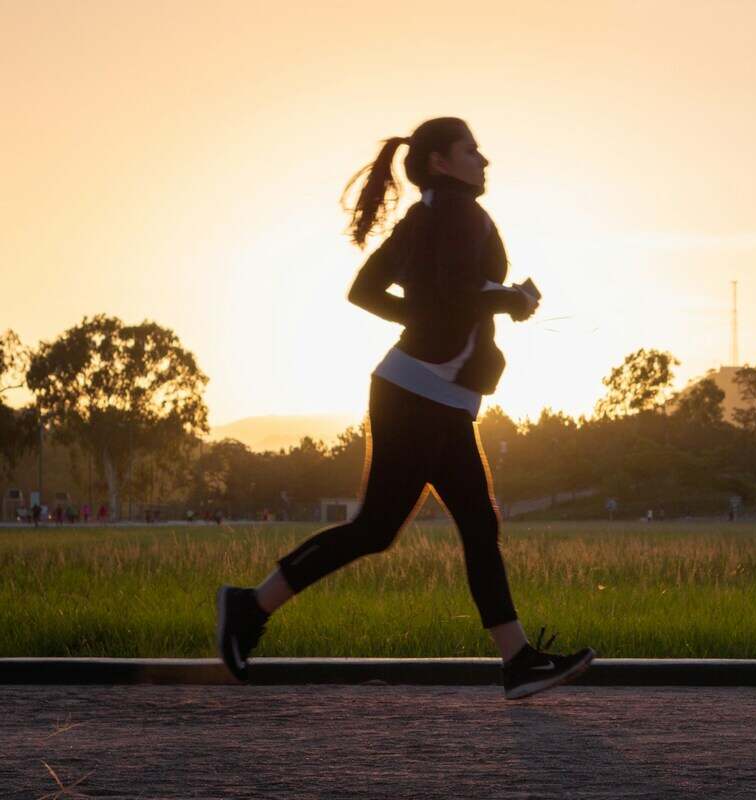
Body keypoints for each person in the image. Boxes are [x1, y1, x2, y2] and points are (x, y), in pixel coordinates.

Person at [216, 118, 595, 700]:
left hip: (431, 392)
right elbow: (448, 295)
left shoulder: (430, 216)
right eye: (471, 150)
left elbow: (369, 291)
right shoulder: (452, 216)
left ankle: (517, 660)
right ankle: (248, 606)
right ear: (441, 161)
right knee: (379, 528)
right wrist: (511, 299)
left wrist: (435, 319)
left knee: (475, 523)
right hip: (417, 392)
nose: (484, 160)